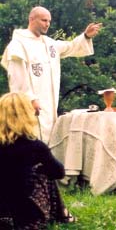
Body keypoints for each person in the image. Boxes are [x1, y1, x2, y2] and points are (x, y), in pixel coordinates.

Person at [1, 6, 102, 144]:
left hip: (49, 106)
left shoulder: (49, 44)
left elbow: (70, 47)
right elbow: (17, 77)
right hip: (29, 105)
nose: (47, 24)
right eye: (43, 20)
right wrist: (30, 99)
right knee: (30, 139)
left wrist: (86, 36)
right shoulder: (18, 44)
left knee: (48, 143)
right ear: (31, 19)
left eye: (49, 21)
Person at [0, 92, 74, 229]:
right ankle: (62, 214)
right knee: (44, 172)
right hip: (25, 217)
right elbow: (59, 172)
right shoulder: (34, 146)